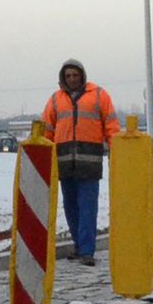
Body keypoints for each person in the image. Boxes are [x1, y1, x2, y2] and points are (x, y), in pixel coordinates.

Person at [39, 59, 118, 265]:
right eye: (68, 76)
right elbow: (46, 130)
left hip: (90, 163)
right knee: (70, 207)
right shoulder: (56, 100)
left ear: (82, 75)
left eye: (75, 75)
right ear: (63, 78)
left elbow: (111, 126)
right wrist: (40, 155)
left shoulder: (99, 95)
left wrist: (117, 150)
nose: (72, 79)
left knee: (87, 207)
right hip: (64, 163)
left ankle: (86, 251)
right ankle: (78, 244)